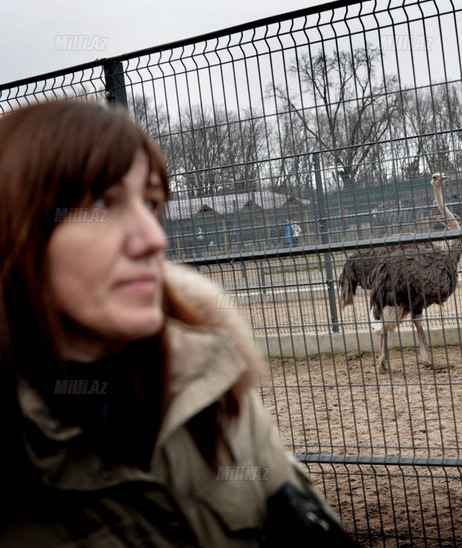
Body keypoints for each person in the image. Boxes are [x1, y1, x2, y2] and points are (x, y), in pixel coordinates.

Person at [0, 100, 356, 546]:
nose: (153, 238)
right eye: (103, 202)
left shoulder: (211, 391)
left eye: (151, 204)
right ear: (15, 230)